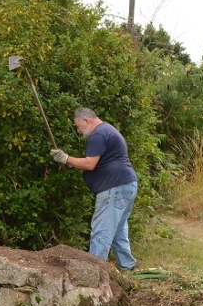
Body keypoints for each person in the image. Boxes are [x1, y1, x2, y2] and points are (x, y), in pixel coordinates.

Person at [51, 107, 138, 271]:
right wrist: (70, 162)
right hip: (126, 184)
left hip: (114, 187)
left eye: (78, 126)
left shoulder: (98, 134)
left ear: (86, 120)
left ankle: (93, 273)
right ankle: (127, 267)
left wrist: (66, 158)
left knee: (101, 230)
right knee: (119, 230)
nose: (78, 130)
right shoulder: (107, 130)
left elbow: (90, 164)